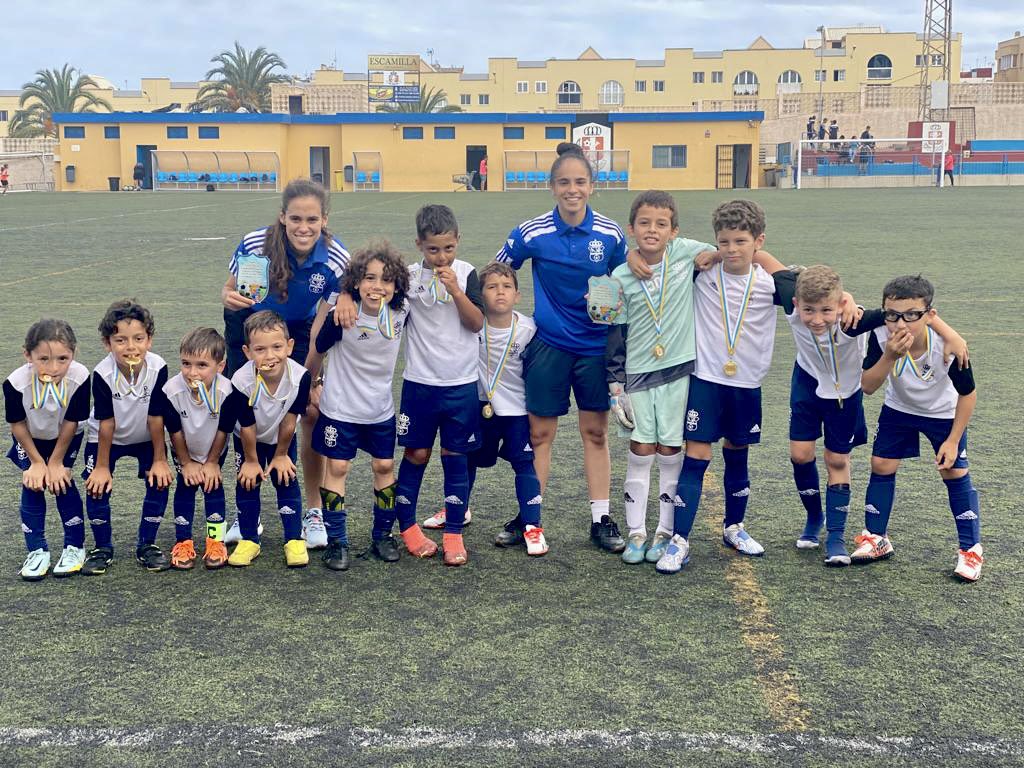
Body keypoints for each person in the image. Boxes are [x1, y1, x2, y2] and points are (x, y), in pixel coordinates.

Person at [671, 201, 857, 564]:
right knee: (696, 457)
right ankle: (679, 540)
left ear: (758, 241)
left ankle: (734, 528)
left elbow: (820, 295)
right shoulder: (702, 276)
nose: (731, 250)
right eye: (723, 242)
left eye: (741, 241)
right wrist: (705, 256)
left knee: (737, 454)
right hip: (705, 380)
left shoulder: (774, 284)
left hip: (747, 384)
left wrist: (848, 299)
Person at [495, 142, 629, 554]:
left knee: (595, 432)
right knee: (540, 434)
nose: (573, 189)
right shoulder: (531, 232)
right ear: (552, 187)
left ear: (592, 186)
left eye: (580, 182)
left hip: (594, 348)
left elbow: (626, 277)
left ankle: (601, 518)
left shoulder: (609, 234)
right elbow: (498, 271)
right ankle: (529, 516)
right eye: (564, 182)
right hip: (549, 346)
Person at [221, 178, 354, 553]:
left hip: (298, 332)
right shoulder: (254, 245)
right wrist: (230, 297)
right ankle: (248, 514)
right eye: (295, 218)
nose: (303, 227)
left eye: (312, 219)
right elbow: (228, 291)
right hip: (252, 327)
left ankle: (313, 511)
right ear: (282, 217)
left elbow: (320, 329)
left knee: (310, 410)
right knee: (243, 411)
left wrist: (308, 379)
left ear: (324, 220)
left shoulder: (335, 258)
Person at [605, 191, 716, 572]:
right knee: (640, 450)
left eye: (661, 224)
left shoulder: (685, 253)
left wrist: (709, 256)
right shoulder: (619, 275)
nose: (652, 230)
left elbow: (724, 249)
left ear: (674, 231)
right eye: (644, 223)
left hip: (678, 371)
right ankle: (636, 532)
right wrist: (614, 385)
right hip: (637, 375)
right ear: (631, 229)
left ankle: (664, 532)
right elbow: (614, 334)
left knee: (670, 452)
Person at [857, 275, 982, 581]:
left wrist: (953, 440)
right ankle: (876, 538)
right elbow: (868, 386)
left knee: (953, 471)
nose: (901, 324)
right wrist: (890, 355)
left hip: (943, 413)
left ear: (929, 315)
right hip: (899, 409)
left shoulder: (948, 345)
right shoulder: (878, 334)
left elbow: (968, 394)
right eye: (893, 315)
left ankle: (971, 550)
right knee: (881, 464)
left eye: (912, 315)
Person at [384, 204, 484, 567]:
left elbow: (476, 324)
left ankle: (454, 532)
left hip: (460, 384)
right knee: (416, 455)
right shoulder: (408, 278)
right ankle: (408, 528)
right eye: (432, 249)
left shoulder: (468, 272)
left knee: (455, 456)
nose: (441, 257)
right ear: (419, 245)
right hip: (420, 385)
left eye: (448, 248)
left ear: (457, 241)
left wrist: (457, 291)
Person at [427, 261, 548, 556]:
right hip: (477, 406)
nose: (500, 293)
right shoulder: (471, 325)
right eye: (492, 287)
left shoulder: (529, 330)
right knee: (466, 460)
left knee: (524, 464)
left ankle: (532, 526)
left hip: (515, 411)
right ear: (481, 294)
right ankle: (458, 508)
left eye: (507, 287)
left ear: (517, 295)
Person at [312, 241, 410, 569]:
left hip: (379, 409)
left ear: (396, 286)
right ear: (356, 281)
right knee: (337, 468)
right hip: (341, 409)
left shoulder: (401, 311)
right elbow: (322, 345)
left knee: (384, 467)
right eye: (369, 278)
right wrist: (340, 303)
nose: (377, 286)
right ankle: (337, 541)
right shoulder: (345, 312)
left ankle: (382, 535)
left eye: (386, 280)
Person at [81, 300, 173, 575]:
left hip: (146, 435)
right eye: (120, 340)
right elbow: (106, 421)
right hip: (106, 437)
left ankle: (148, 544)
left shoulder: (158, 367)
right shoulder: (102, 372)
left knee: (159, 480)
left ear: (149, 340)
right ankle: (102, 548)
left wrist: (159, 459)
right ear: (107, 343)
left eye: (138, 339)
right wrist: (101, 466)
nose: (130, 347)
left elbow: (156, 417)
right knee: (96, 486)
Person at [225, 311, 312, 568]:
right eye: (260, 349)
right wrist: (251, 460)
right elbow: (247, 424)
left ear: (289, 346)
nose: (269, 355)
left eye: (276, 347)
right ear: (248, 351)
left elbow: (290, 419)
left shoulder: (300, 377)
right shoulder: (240, 380)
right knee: (248, 482)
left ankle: (294, 539)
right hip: (248, 439)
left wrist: (281, 454)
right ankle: (250, 539)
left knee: (286, 479)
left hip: (281, 439)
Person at [5, 319, 90, 580]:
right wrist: (36, 463)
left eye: (63, 359)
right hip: (30, 439)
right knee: (33, 482)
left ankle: (75, 547)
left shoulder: (80, 376)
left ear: (73, 354)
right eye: (43, 359)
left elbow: (71, 422)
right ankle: (37, 551)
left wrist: (55, 462)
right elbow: (17, 424)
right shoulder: (15, 383)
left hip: (65, 436)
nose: (53, 368)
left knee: (61, 479)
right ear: (27, 355)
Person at [157, 327, 235, 570]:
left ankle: (216, 541)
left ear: (220, 366)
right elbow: (175, 431)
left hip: (214, 448)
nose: (192, 373)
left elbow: (224, 430)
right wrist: (187, 463)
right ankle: (183, 541)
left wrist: (212, 462)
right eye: (186, 364)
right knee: (186, 485)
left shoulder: (228, 391)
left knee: (213, 486)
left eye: (202, 365)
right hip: (185, 450)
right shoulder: (171, 391)